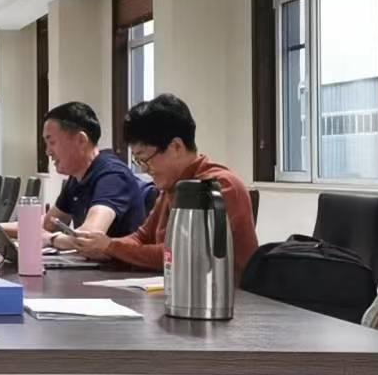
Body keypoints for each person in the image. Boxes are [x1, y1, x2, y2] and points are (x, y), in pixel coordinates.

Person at [72, 94, 259, 276]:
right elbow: (141, 237)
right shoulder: (171, 186)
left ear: (176, 146)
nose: (144, 169)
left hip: (221, 293)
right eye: (138, 161)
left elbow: (182, 254)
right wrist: (101, 247)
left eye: (145, 159)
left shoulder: (218, 186)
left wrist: (111, 247)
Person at [0, 102, 147, 250]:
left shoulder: (111, 175)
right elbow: (47, 225)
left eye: (51, 142)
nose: (48, 152)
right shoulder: (78, 177)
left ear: (81, 140)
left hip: (118, 278)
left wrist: (51, 239)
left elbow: (87, 237)